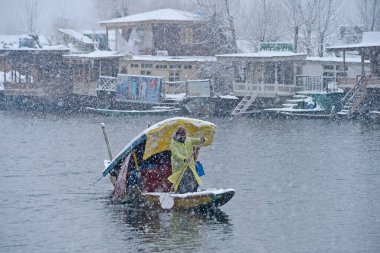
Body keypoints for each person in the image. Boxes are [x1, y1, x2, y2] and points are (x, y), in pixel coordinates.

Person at [168, 127, 205, 194]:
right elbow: (175, 155)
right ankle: (182, 193)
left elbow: (197, 141)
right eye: (182, 136)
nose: (183, 138)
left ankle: (193, 192)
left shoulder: (188, 139)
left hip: (190, 165)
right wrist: (184, 159)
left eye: (184, 136)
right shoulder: (173, 143)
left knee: (192, 178)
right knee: (181, 180)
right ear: (178, 135)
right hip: (179, 166)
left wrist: (202, 140)